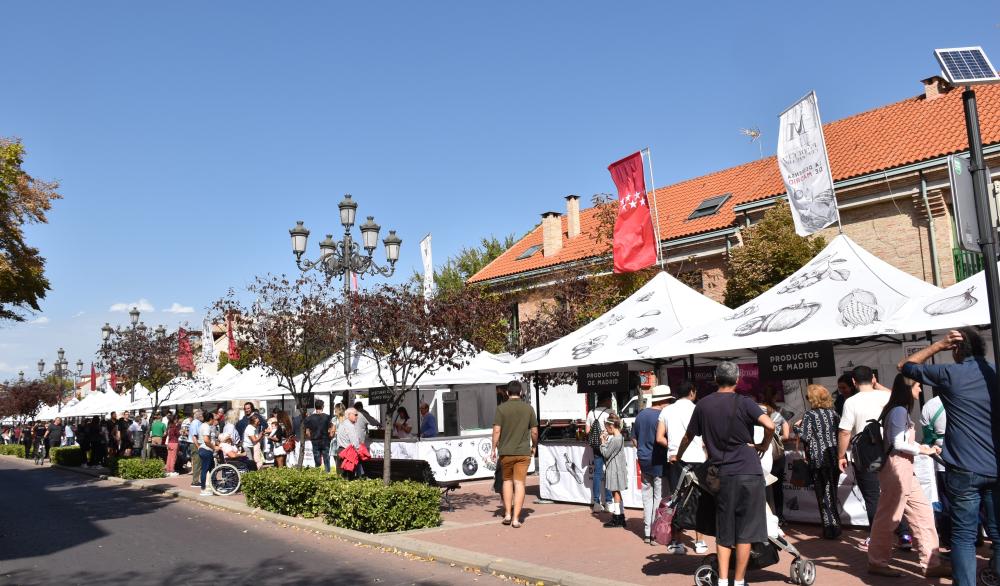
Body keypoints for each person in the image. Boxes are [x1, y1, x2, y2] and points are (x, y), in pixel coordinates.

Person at [900, 328, 999, 586]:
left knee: (964, 536)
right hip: (995, 465)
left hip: (963, 467)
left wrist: (937, 346)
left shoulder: (949, 373)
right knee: (997, 532)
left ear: (956, 349)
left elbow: (905, 366)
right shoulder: (993, 373)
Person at [677, 362, 774, 586]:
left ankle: (722, 580)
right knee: (746, 530)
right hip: (749, 471)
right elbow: (770, 425)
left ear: (715, 379)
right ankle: (738, 581)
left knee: (725, 529)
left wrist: (678, 454)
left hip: (722, 473)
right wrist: (762, 445)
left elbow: (688, 436)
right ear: (737, 380)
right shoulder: (745, 403)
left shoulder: (703, 405)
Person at [867, 374, 948, 578]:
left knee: (923, 514)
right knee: (889, 517)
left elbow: (900, 442)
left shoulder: (898, 410)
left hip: (903, 469)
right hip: (897, 469)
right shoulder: (899, 411)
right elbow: (898, 443)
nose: (920, 390)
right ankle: (877, 561)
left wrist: (922, 447)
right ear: (909, 387)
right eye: (918, 386)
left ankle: (931, 562)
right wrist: (924, 450)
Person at [837, 365, 911, 551]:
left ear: (853, 382)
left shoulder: (851, 402)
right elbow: (898, 395)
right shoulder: (886, 396)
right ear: (873, 379)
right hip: (890, 452)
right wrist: (878, 386)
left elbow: (845, 432)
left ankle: (877, 537)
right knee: (892, 494)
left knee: (872, 497)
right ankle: (904, 533)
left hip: (867, 455)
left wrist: (840, 455)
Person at [660, 380, 708, 555]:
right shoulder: (699, 409)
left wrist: (673, 449)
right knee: (700, 500)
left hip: (676, 461)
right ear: (692, 392)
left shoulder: (666, 410)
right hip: (698, 459)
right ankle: (700, 541)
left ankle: (676, 541)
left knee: (677, 499)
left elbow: (659, 437)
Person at [491, 380, 538, 529]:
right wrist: (534, 445)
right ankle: (516, 519)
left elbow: (497, 430)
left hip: (506, 452)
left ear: (507, 392)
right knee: (519, 483)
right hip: (523, 452)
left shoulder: (501, 409)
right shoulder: (528, 408)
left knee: (507, 481)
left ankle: (507, 514)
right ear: (521, 393)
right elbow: (535, 431)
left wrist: (493, 448)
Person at [798, 384, 842, 539]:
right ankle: (835, 526)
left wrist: (797, 428)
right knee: (832, 491)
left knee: (823, 494)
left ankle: (830, 528)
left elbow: (805, 436)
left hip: (818, 458)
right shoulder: (834, 414)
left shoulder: (809, 415)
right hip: (833, 456)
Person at [632, 385, 672, 544]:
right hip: (659, 461)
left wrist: (643, 448)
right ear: (663, 401)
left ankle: (647, 532)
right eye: (668, 400)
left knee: (646, 496)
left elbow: (634, 439)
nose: (669, 403)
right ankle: (655, 533)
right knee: (659, 498)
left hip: (643, 460)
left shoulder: (641, 415)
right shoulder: (663, 416)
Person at [920, 391, 950, 547]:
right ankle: (978, 536)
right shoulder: (968, 397)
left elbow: (928, 435)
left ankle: (948, 538)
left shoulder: (930, 405)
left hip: (942, 456)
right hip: (973, 457)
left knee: (946, 499)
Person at [761, 387, 788, 525]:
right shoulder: (780, 413)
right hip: (776, 454)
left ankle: (765, 517)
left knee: (762, 486)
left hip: (761, 452)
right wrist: (776, 438)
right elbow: (787, 435)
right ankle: (780, 517)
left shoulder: (758, 411)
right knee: (777, 487)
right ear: (775, 396)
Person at [585, 392, 614, 513]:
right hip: (608, 445)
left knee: (597, 473)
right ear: (606, 400)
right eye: (610, 399)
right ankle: (608, 502)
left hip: (596, 446)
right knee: (608, 472)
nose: (611, 401)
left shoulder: (591, 412)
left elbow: (587, 431)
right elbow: (616, 429)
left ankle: (596, 502)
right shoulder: (610, 412)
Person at [600, 412, 629, 529]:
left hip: (614, 468)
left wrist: (603, 442)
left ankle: (617, 517)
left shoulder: (615, 439)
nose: (607, 430)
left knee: (615, 492)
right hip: (618, 468)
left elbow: (606, 454)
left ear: (611, 427)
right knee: (617, 492)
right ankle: (620, 516)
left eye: (607, 427)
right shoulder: (620, 437)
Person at [305, 399, 334, 472]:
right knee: (326, 459)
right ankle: (327, 474)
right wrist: (330, 437)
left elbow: (307, 432)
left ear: (315, 407)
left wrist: (311, 437)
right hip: (325, 440)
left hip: (315, 440)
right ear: (322, 406)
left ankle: (318, 474)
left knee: (317, 460)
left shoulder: (310, 418)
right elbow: (331, 429)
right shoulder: (327, 417)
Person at [336, 408, 362, 479]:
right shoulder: (350, 426)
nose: (357, 417)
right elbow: (355, 443)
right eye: (355, 415)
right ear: (348, 415)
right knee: (349, 478)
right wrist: (358, 451)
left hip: (341, 451)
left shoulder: (342, 424)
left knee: (341, 477)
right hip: (348, 453)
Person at [198, 410, 219, 496]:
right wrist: (214, 447)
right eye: (213, 419)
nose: (214, 421)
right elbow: (206, 440)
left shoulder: (202, 425)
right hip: (206, 450)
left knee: (211, 468)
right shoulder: (206, 427)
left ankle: (213, 486)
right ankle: (203, 489)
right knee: (205, 469)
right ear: (210, 419)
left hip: (203, 449)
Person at [188, 409, 204, 487]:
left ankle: (197, 480)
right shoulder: (195, 423)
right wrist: (198, 446)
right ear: (199, 416)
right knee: (197, 463)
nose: (203, 417)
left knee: (198, 462)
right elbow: (194, 436)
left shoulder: (197, 422)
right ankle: (195, 481)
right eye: (202, 415)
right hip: (195, 444)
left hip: (196, 444)